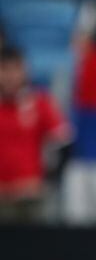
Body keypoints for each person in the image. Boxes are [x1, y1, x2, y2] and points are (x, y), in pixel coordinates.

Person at [0, 47, 70, 221]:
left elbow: (62, 142)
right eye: (4, 69)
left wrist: (48, 180)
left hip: (33, 195)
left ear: (24, 70)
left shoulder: (39, 102)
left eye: (15, 69)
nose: (10, 76)